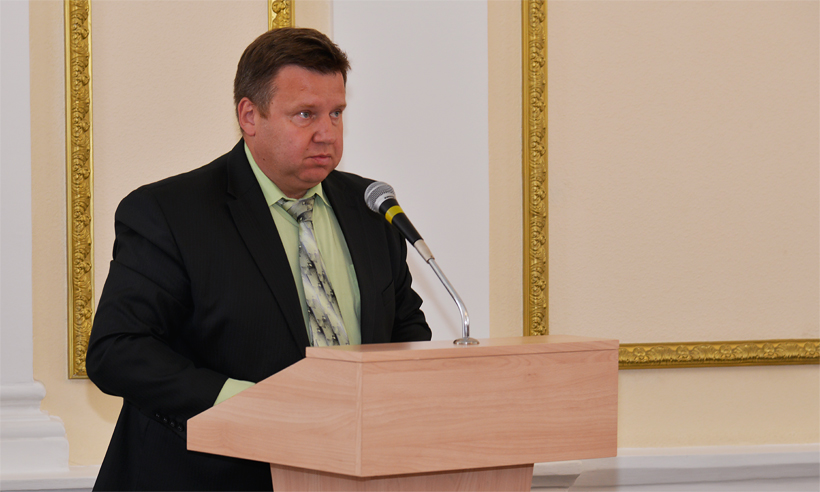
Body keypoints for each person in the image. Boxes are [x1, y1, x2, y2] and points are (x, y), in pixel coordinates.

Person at [86, 27, 431, 491]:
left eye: (336, 113)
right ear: (250, 116)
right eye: (305, 114)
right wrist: (248, 403)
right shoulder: (170, 213)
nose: (327, 134)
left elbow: (406, 330)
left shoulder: (370, 208)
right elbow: (117, 350)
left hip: (350, 473)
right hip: (209, 477)